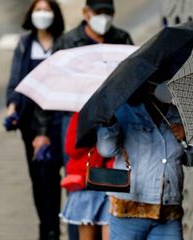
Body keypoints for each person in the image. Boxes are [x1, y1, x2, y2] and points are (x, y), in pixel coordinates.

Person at [32, 1, 133, 238]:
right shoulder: (68, 42)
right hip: (76, 117)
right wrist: (43, 131)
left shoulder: (122, 38)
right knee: (81, 180)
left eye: (108, 12)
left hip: (114, 118)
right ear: (86, 14)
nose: (104, 17)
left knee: (112, 179)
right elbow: (51, 82)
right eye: (98, 12)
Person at [96, 78, 193, 240]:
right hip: (129, 209)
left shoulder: (178, 115)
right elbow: (106, 150)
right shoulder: (124, 110)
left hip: (168, 212)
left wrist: (188, 137)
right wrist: (109, 122)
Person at [4, 1, 65, 239]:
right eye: (38, 10)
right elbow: (16, 81)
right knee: (39, 176)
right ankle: (47, 227)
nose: (43, 14)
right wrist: (12, 108)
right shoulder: (25, 44)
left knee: (55, 174)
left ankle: (56, 222)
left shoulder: (63, 43)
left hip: (59, 119)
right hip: (30, 122)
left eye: (47, 10)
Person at [60, 112, 114, 240]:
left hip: (112, 183)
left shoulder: (122, 115)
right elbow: (71, 149)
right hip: (87, 184)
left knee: (111, 231)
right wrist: (93, 132)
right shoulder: (81, 116)